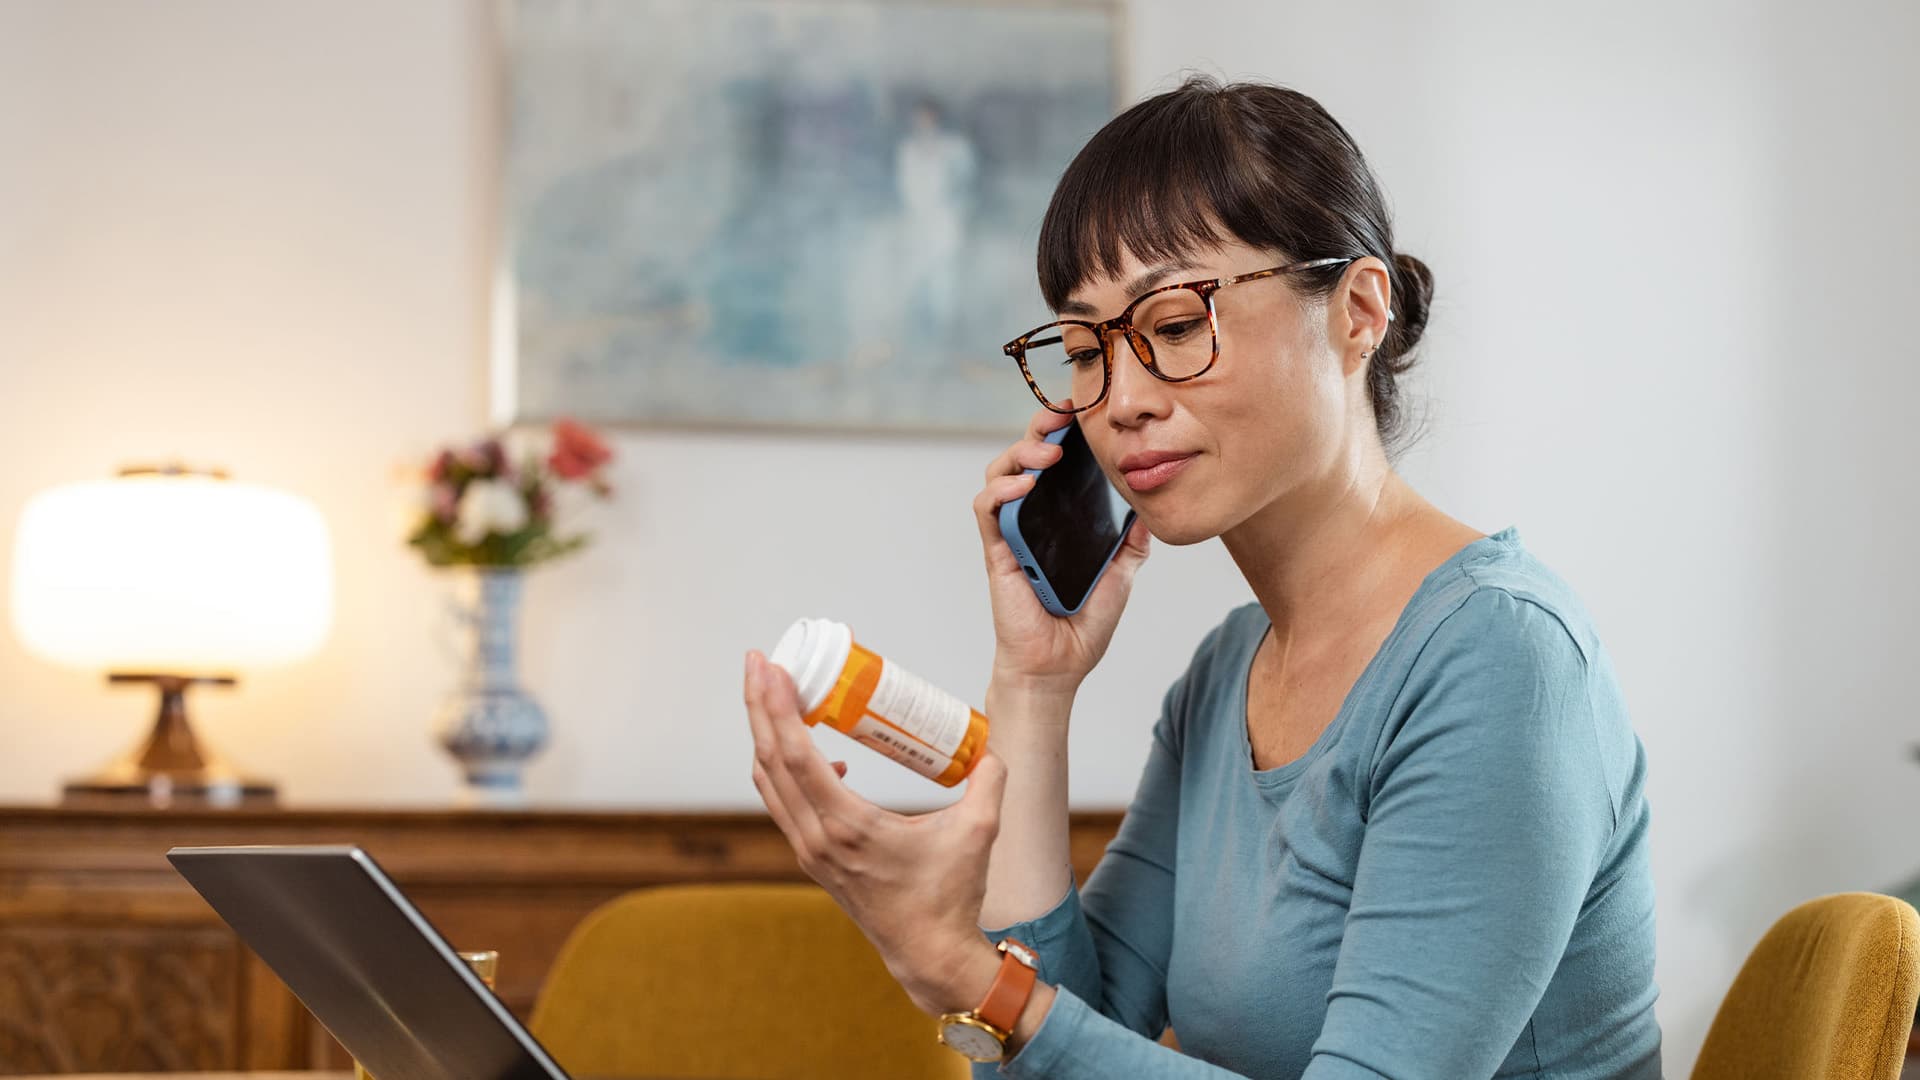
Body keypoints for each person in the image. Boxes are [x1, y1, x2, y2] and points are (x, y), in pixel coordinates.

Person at [741, 75, 1661, 1079]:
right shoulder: (1226, 676)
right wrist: (1033, 686)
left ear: (1357, 310)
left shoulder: (1502, 658)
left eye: (1175, 326)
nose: (1120, 399)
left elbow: (1031, 1024)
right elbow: (1074, 1036)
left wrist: (953, 968)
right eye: (1086, 349)